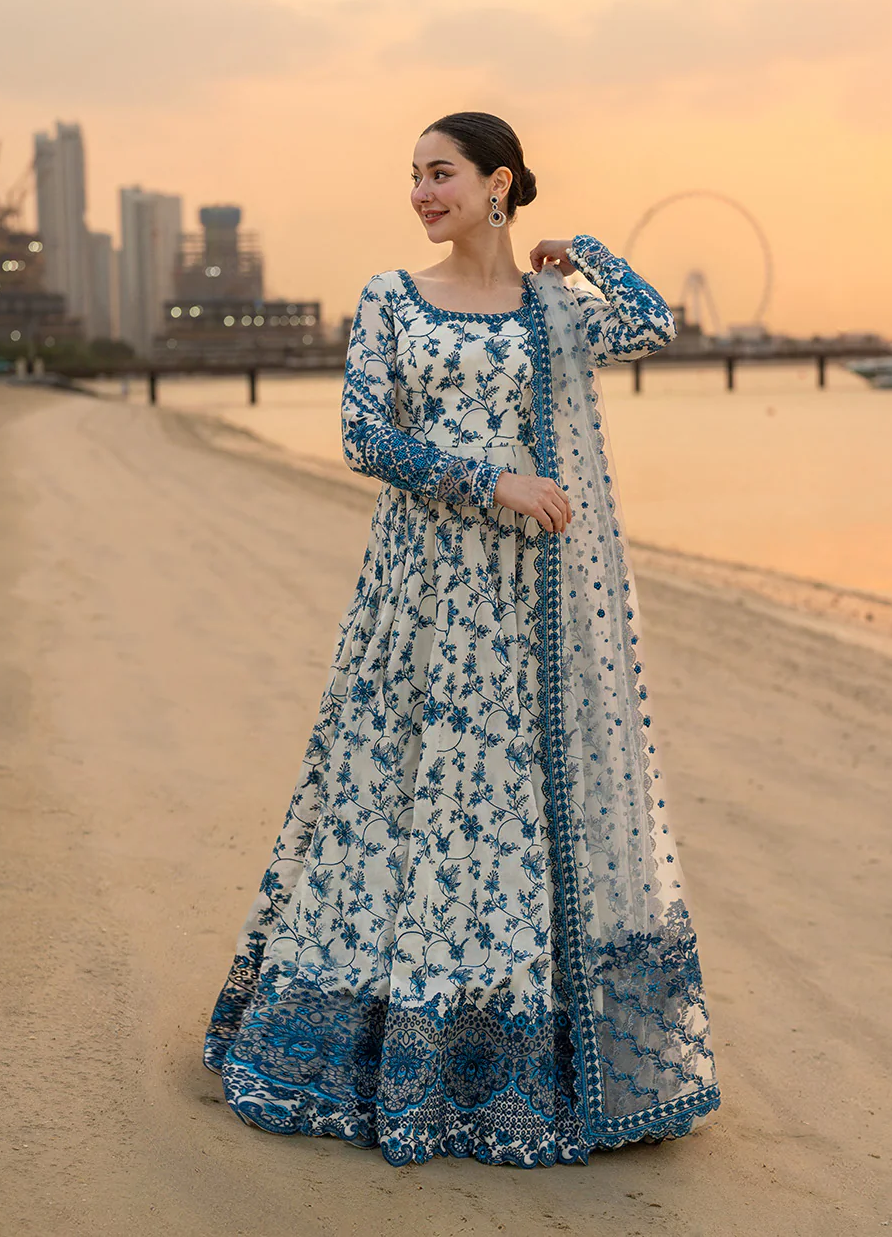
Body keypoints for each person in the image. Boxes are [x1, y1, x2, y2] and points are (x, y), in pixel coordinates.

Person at [203, 111, 721, 1167]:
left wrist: (590, 257)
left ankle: (521, 1045)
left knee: (517, 810)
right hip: (423, 593)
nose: (423, 193)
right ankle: (388, 1044)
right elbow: (364, 435)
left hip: (535, 605)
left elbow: (656, 325)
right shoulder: (394, 298)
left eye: (442, 174)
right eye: (414, 176)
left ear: (500, 183)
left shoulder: (552, 309)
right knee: (403, 795)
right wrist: (494, 482)